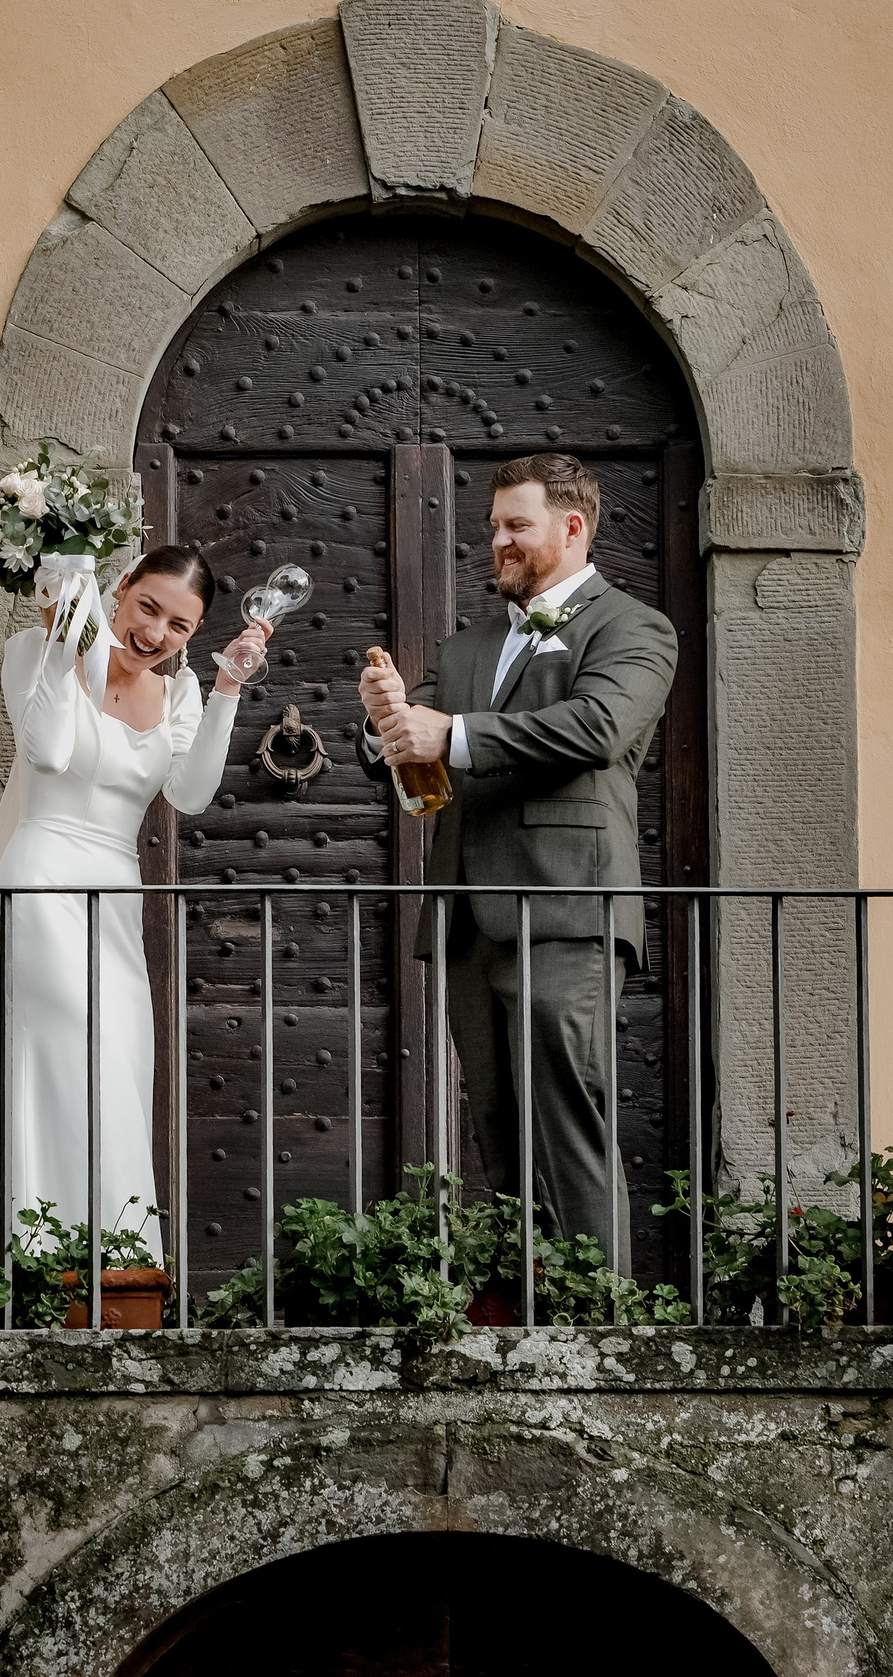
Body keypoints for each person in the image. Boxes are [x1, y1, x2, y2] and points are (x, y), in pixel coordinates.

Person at [0, 544, 264, 1260]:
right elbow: (46, 751)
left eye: (179, 626)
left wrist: (228, 684)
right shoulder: (31, 651)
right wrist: (63, 644)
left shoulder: (179, 694)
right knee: (53, 1057)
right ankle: (35, 1256)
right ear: (120, 586)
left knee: (120, 1061)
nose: (156, 633)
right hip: (42, 877)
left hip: (114, 896)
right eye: (148, 607)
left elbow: (190, 794)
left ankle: (116, 1266)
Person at [358, 453, 677, 1267]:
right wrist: (390, 724)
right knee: (498, 1133)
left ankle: (601, 1326)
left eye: (515, 526)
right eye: (493, 526)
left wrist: (449, 733)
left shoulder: (633, 627)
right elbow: (421, 753)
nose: (496, 541)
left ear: (572, 528)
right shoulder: (467, 647)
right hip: (471, 914)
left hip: (567, 907)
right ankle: (525, 1311)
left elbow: (596, 727)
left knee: (569, 1118)